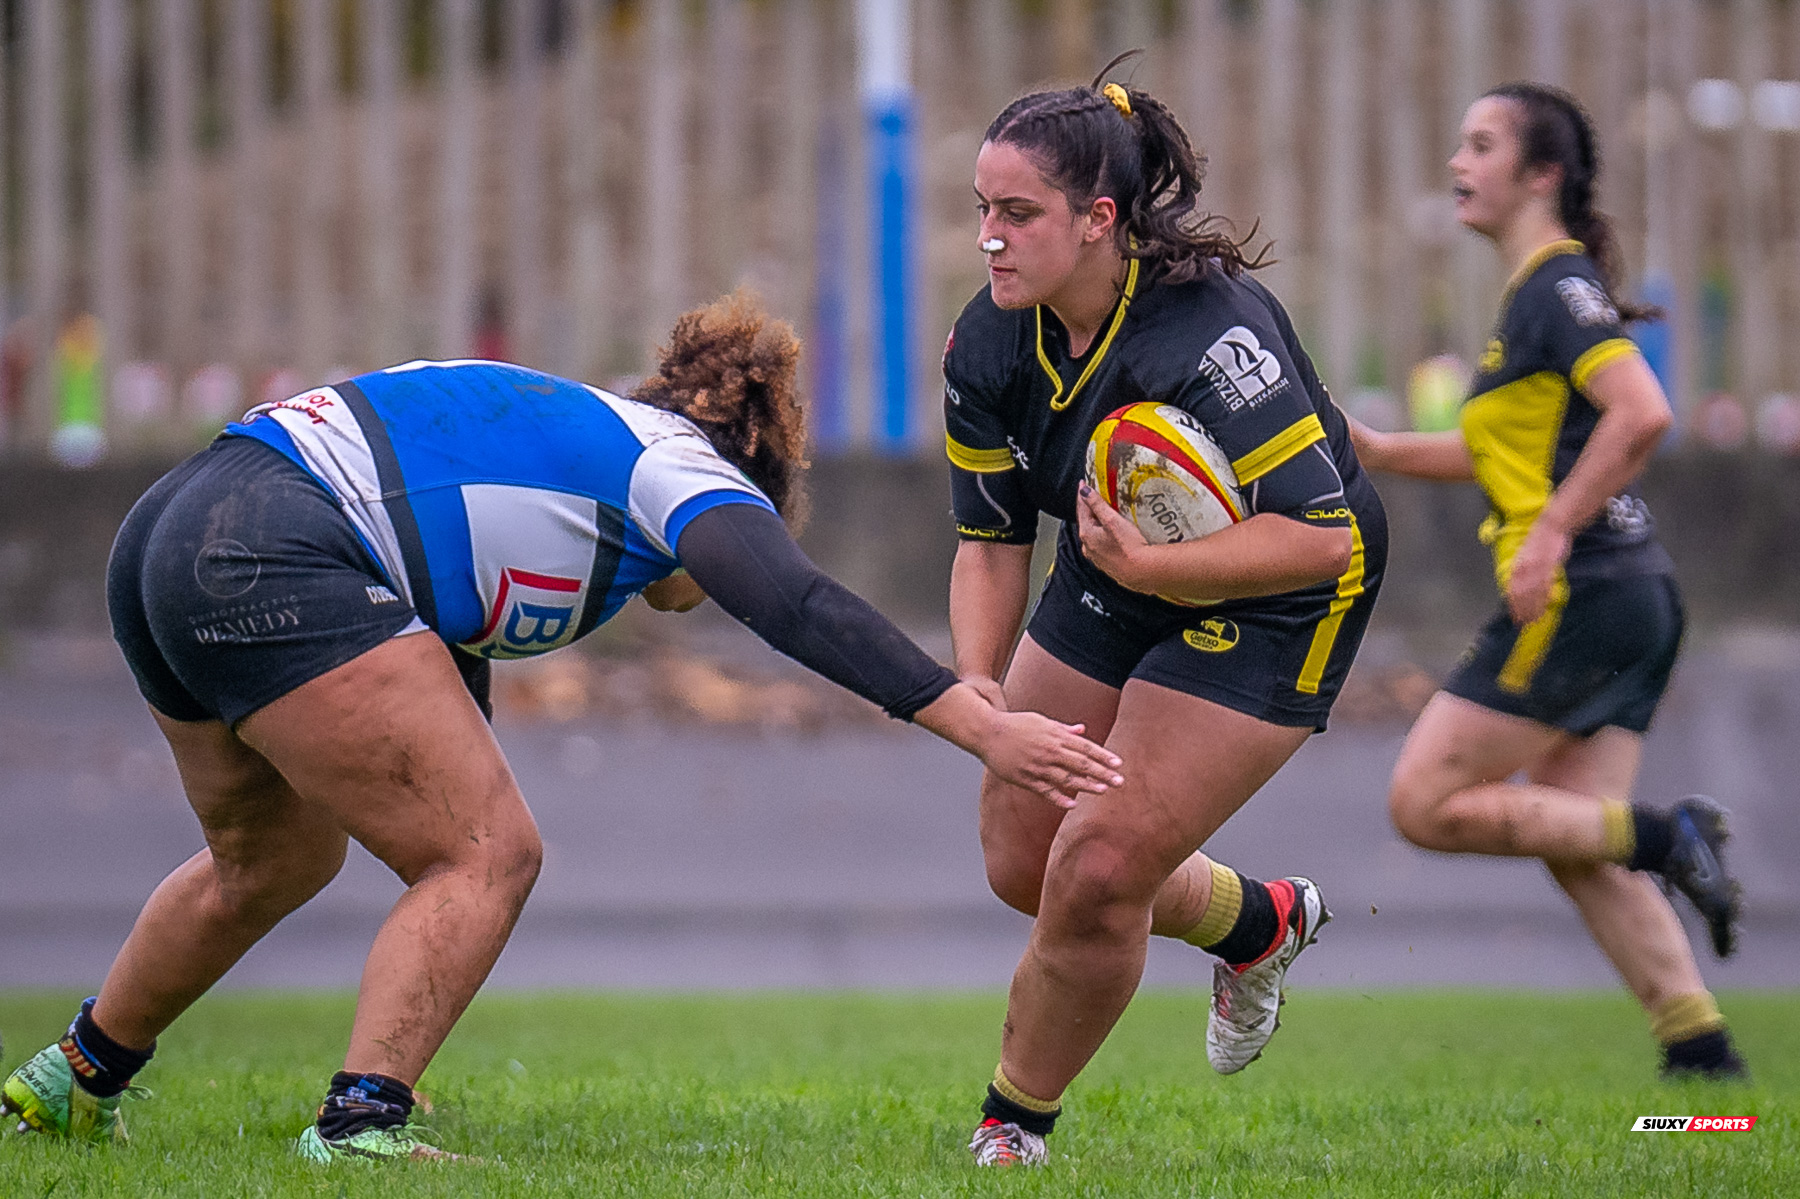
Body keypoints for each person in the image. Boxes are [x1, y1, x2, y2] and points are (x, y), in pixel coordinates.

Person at [0, 292, 1126, 1160]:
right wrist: (968, 720)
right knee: (490, 850)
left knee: (269, 856)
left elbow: (439, 647)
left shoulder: (559, 439)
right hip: (277, 542)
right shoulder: (679, 469)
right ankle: (359, 1124)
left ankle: (72, 1077)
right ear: (754, 484)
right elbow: (794, 601)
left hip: (172, 529)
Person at [943, 57, 1386, 1166]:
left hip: (1290, 581)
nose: (990, 237)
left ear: (1098, 219)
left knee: (1096, 867)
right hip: (1122, 555)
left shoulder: (1209, 333)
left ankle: (1013, 1126)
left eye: (1018, 213)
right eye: (982, 210)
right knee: (1020, 854)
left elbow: (1318, 531)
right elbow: (990, 541)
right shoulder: (991, 339)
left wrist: (1156, 569)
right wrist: (980, 694)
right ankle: (1256, 919)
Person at [1347, 83, 1747, 1080]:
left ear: (1542, 177)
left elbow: (1642, 410)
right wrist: (1380, 448)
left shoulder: (1554, 289)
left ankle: (1672, 830)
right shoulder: (1534, 293)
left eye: (1481, 144)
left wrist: (1550, 536)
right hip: (1632, 595)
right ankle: (1702, 1057)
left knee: (1425, 798)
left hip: (1587, 592)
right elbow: (1510, 450)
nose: (1458, 162)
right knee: (1577, 839)